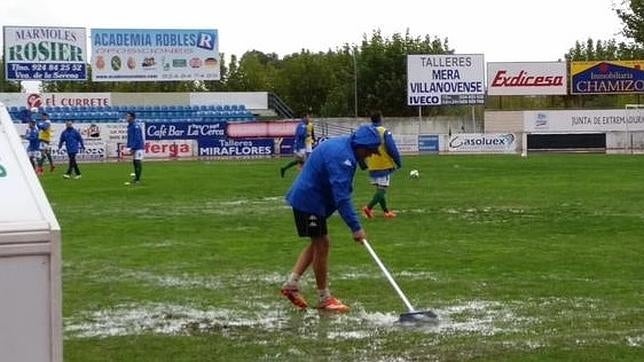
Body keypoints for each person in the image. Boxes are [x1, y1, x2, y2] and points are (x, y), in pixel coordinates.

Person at [280, 124, 381, 312]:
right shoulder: (342, 157)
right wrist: (356, 227)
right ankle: (324, 298)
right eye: (370, 150)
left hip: (310, 199)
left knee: (317, 243)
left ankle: (291, 285)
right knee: (322, 243)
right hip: (308, 201)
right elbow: (341, 196)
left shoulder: (345, 147)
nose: (371, 155)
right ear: (361, 145)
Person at [362, 112, 402, 219]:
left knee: (379, 189)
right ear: (380, 119)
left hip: (371, 163)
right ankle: (368, 208)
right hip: (383, 164)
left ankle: (386, 212)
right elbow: (391, 148)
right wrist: (398, 162)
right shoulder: (384, 131)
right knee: (382, 189)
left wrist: (363, 163)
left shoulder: (367, 132)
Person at [124, 112, 144, 185]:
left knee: (138, 162)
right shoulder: (130, 126)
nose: (126, 117)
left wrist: (133, 148)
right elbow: (130, 138)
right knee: (135, 162)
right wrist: (129, 146)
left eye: (128, 116)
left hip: (138, 147)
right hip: (134, 147)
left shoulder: (136, 126)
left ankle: (138, 180)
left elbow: (137, 138)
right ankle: (136, 178)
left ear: (132, 117)